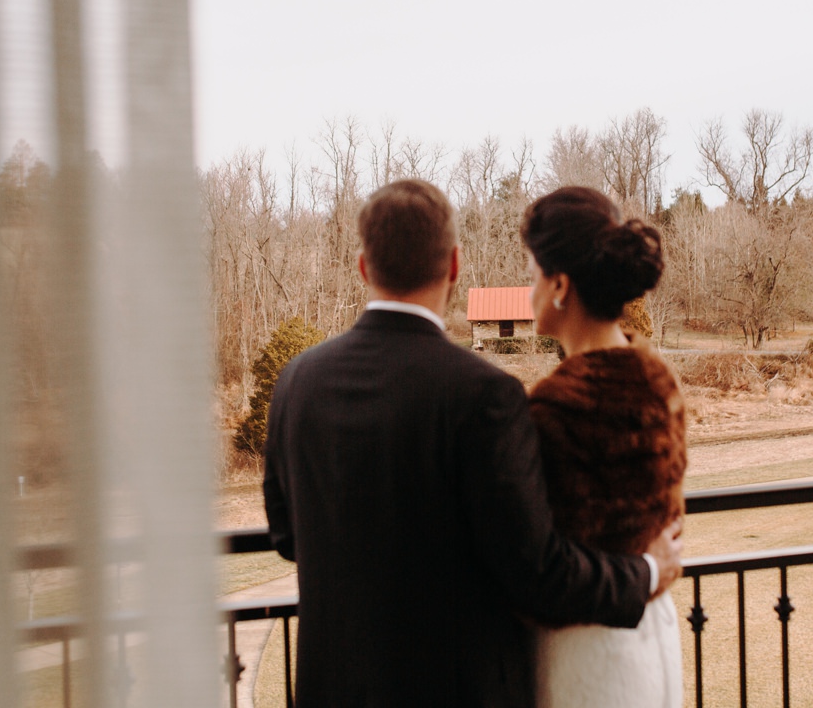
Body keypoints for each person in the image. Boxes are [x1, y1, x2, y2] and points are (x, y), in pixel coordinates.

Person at [263, 179, 684, 707]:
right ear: (456, 266)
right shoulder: (486, 393)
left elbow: (285, 534)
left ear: (364, 268)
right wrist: (646, 571)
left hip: (333, 687)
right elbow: (532, 567)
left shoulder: (296, 381)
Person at [521, 187, 688, 708]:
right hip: (656, 632)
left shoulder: (555, 407)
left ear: (560, 286)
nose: (528, 288)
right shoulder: (660, 379)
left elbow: (539, 566)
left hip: (587, 656)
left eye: (533, 273)